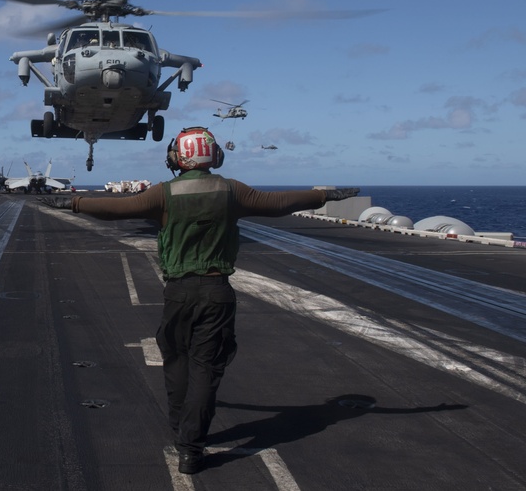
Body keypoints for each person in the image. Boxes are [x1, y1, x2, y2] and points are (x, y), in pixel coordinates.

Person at [38, 126, 358, 475]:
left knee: (176, 364)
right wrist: (322, 195)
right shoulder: (231, 191)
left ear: (178, 157)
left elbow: (118, 208)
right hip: (217, 291)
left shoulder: (164, 194)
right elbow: (279, 203)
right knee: (206, 369)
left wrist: (75, 202)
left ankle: (180, 430)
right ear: (214, 156)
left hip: (177, 293)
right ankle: (191, 448)